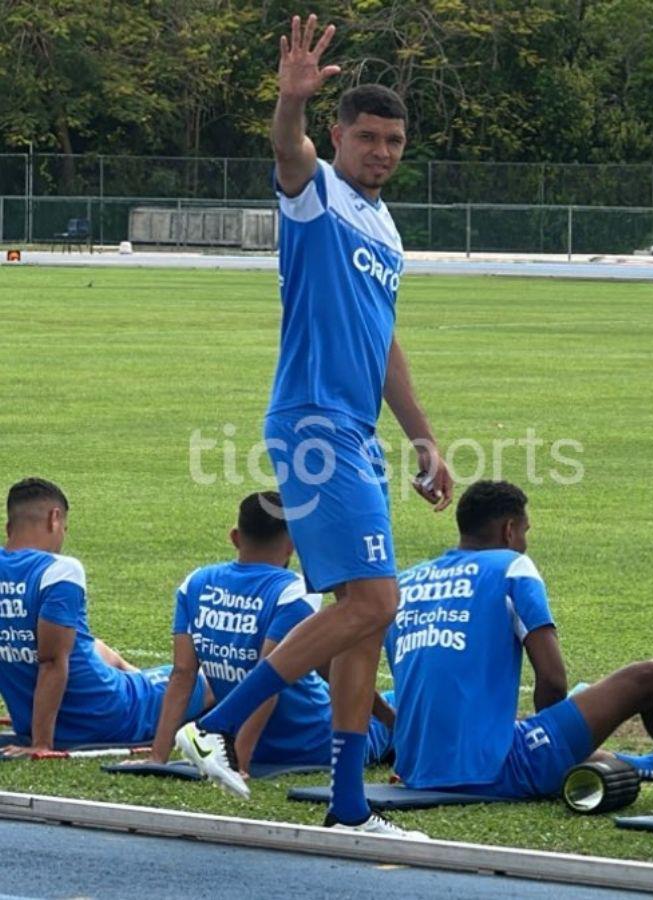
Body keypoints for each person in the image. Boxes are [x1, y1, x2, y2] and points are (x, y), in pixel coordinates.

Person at [177, 13, 451, 839]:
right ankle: (215, 726)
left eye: (395, 140)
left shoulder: (385, 226)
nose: (383, 151)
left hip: (357, 431)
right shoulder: (317, 194)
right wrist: (288, 104)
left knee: (362, 615)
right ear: (339, 136)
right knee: (374, 600)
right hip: (314, 421)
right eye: (368, 136)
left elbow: (384, 342)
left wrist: (423, 437)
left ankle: (347, 806)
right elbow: (288, 154)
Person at [386, 481, 653, 798]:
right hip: (491, 772)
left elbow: (346, 664)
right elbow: (552, 680)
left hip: (415, 770)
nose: (525, 543)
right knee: (650, 676)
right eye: (525, 532)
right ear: (509, 530)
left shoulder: (404, 584)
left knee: (574, 702)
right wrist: (555, 738)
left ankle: (642, 764)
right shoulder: (511, 567)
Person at [140, 492, 392, 781]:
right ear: (293, 544)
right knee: (403, 703)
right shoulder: (293, 592)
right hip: (315, 743)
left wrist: (158, 756)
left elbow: (183, 674)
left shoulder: (195, 583)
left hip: (238, 740)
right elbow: (268, 680)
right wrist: (239, 764)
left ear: (235, 537)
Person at [0, 478, 211, 753]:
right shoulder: (59, 570)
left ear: (9, 527)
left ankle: (138, 676)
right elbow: (51, 662)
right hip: (110, 714)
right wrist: (41, 745)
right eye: (64, 528)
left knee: (94, 646)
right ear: (54, 519)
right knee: (211, 676)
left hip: (40, 716)